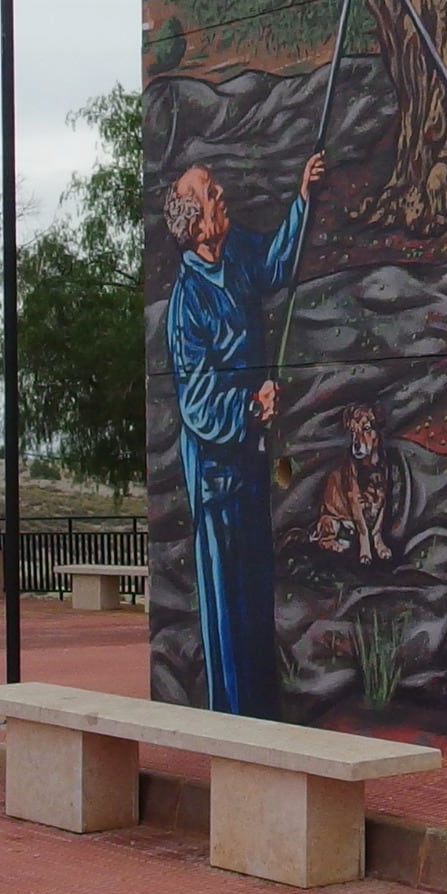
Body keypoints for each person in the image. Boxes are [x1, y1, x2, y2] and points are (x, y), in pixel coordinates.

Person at [164, 153, 324, 718]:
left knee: (256, 587)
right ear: (195, 221)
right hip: (215, 477)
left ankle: (261, 710)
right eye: (211, 193)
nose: (222, 194)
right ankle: (234, 716)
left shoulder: (237, 254)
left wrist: (302, 197)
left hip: (250, 465)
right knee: (226, 599)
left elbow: (277, 266)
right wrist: (250, 406)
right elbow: (197, 404)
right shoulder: (188, 304)